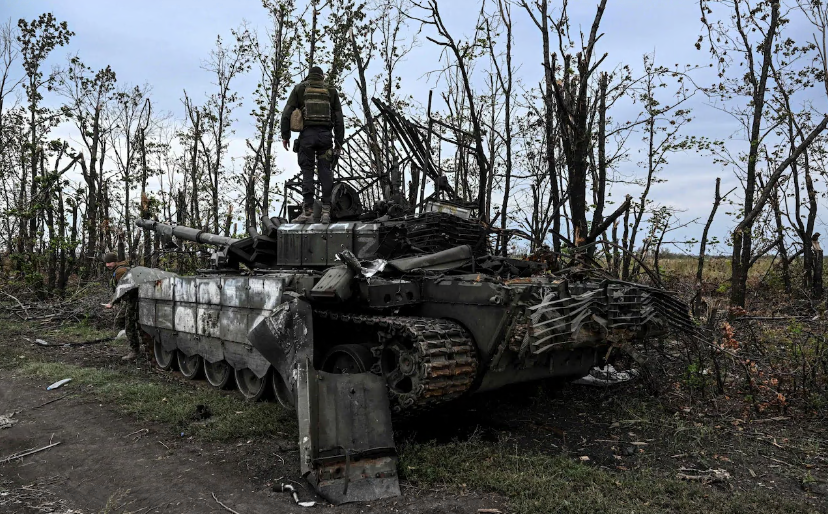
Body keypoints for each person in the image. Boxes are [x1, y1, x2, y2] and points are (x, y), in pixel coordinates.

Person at [280, 66, 345, 224]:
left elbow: (286, 113)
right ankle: (326, 211)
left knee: (307, 171)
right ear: (322, 77)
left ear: (309, 77)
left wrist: (285, 136)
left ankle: (307, 211)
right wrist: (338, 141)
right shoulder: (331, 91)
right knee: (325, 171)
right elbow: (338, 118)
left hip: (307, 137)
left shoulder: (300, 89)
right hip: (325, 137)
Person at [101, 252, 144, 361]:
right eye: (106, 263)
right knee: (120, 320)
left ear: (115, 261)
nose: (108, 265)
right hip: (130, 300)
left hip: (133, 300)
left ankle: (135, 350)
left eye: (110, 262)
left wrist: (112, 302)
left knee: (129, 324)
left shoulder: (121, 271)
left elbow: (123, 289)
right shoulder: (119, 269)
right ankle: (136, 339)